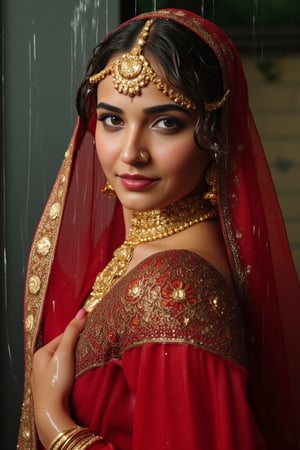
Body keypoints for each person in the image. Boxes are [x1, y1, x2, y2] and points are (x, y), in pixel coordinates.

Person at [17, 8, 300, 450]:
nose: (131, 152)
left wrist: (57, 428)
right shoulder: (141, 247)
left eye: (166, 123)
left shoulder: (173, 292)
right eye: (112, 119)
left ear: (214, 132)